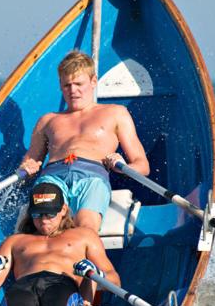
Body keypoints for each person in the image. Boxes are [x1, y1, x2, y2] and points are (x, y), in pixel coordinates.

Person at [18, 50, 150, 231]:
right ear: (60, 86)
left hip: (92, 179)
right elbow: (28, 163)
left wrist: (121, 165)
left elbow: (143, 166)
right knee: (45, 228)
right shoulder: (47, 120)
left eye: (79, 83)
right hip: (52, 178)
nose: (73, 90)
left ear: (93, 81)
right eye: (67, 85)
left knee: (85, 229)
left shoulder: (116, 113)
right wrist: (26, 168)